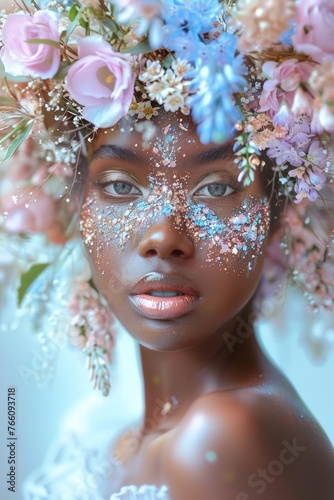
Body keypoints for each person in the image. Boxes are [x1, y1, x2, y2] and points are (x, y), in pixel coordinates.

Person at [0, 1, 334, 499]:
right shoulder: (112, 432)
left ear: (278, 209)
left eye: (217, 189)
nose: (163, 236)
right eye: (118, 185)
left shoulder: (226, 436)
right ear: (75, 203)